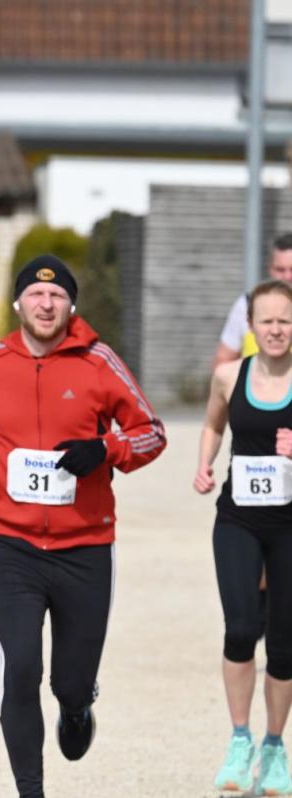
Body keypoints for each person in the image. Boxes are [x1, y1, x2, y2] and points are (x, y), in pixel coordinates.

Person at [0, 254, 166, 798]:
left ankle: (78, 704)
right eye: (36, 295)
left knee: (70, 681)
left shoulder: (99, 362)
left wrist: (104, 449)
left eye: (57, 295)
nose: (46, 304)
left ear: (71, 306)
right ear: (18, 303)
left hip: (85, 549)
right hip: (14, 548)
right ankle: (30, 789)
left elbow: (152, 433)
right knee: (20, 669)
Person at [194, 278, 292, 795]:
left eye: (285, 321)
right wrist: (204, 464)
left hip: (290, 526)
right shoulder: (229, 376)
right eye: (267, 321)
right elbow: (213, 424)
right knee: (240, 628)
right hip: (239, 520)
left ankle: (274, 748)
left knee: (285, 642)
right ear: (251, 326)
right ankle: (239, 741)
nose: (276, 330)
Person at [213, 234, 292, 370]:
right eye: (280, 269)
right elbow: (223, 361)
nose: (287, 276)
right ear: (270, 269)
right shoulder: (246, 305)